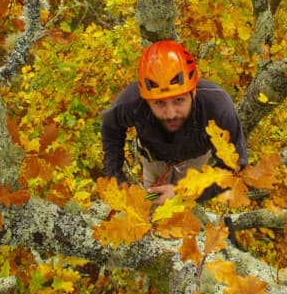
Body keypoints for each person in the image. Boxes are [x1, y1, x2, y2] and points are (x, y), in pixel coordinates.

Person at [100, 40, 248, 205]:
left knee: (181, 206)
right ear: (146, 100)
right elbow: (110, 127)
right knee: (151, 200)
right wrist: (116, 176)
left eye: (179, 100)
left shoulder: (217, 107)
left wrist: (182, 192)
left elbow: (234, 169)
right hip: (154, 159)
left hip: (194, 159)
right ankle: (151, 207)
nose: (170, 114)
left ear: (193, 92)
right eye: (159, 103)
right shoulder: (131, 104)